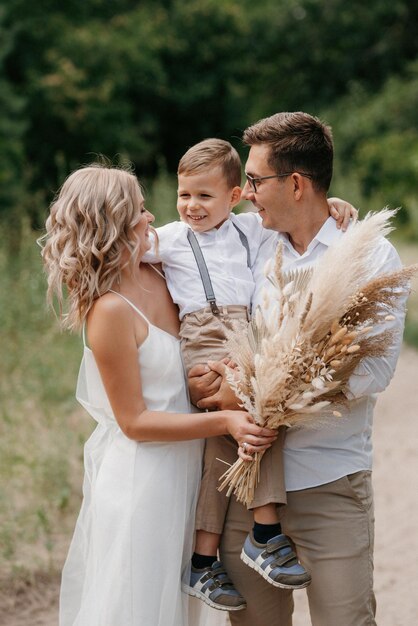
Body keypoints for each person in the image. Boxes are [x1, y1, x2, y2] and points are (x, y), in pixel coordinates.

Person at [189, 112, 407, 626]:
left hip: (329, 483)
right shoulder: (255, 245)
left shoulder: (370, 256)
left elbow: (370, 375)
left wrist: (247, 392)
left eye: (257, 180)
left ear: (295, 183)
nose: (246, 192)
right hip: (249, 485)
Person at [39, 164, 277, 626]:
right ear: (115, 223)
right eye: (141, 211)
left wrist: (328, 210)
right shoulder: (109, 310)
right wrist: (224, 422)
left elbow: (232, 236)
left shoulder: (163, 273)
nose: (153, 219)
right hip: (143, 484)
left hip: (192, 475)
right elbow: (135, 422)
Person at [144, 138, 357, 611]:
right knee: (257, 416)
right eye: (184, 195)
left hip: (245, 334)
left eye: (204, 196)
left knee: (226, 442)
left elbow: (305, 220)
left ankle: (203, 561)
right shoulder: (171, 238)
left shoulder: (250, 231)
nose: (191, 206)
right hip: (203, 340)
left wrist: (334, 204)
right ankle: (263, 531)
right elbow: (126, 248)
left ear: (235, 195)